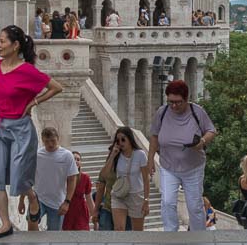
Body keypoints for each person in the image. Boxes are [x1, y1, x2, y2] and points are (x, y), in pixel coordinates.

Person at [0, 26, 64, 239]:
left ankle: (32, 197)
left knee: (19, 177)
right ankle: (6, 224)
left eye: (2, 41)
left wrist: (34, 102)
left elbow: (56, 87)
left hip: (20, 128)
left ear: (15, 45)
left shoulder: (27, 70)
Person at [148, 80, 217, 232]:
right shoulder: (162, 112)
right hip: (168, 167)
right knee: (167, 202)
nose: (173, 106)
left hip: (193, 168)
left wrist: (202, 141)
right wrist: (150, 160)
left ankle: (198, 237)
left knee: (194, 206)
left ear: (186, 99)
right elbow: (154, 136)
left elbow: (211, 130)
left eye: (178, 102)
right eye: (170, 102)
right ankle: (171, 236)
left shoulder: (197, 111)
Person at [20, 127, 78, 231]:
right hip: (38, 199)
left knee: (54, 234)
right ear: (42, 140)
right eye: (47, 141)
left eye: (53, 141)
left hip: (57, 202)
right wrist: (21, 200)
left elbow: (72, 179)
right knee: (31, 226)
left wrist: (67, 202)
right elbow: (28, 179)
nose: (50, 144)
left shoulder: (67, 156)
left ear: (58, 138)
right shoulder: (37, 155)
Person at [109, 127, 150, 231]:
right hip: (119, 195)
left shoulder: (140, 154)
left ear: (130, 139)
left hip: (136, 196)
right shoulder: (116, 154)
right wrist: (112, 155)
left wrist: (146, 201)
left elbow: (146, 179)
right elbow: (104, 174)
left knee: (137, 232)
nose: (120, 142)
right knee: (119, 228)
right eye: (118, 140)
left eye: (123, 139)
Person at [92, 144, 132, 231]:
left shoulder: (128, 166)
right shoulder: (107, 168)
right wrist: (95, 210)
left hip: (125, 209)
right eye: (111, 152)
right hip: (108, 208)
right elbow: (100, 189)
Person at [62, 151, 95, 230]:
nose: (76, 161)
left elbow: (89, 199)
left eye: (78, 159)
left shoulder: (85, 178)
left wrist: (95, 215)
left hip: (81, 212)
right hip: (67, 212)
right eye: (73, 159)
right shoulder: (63, 177)